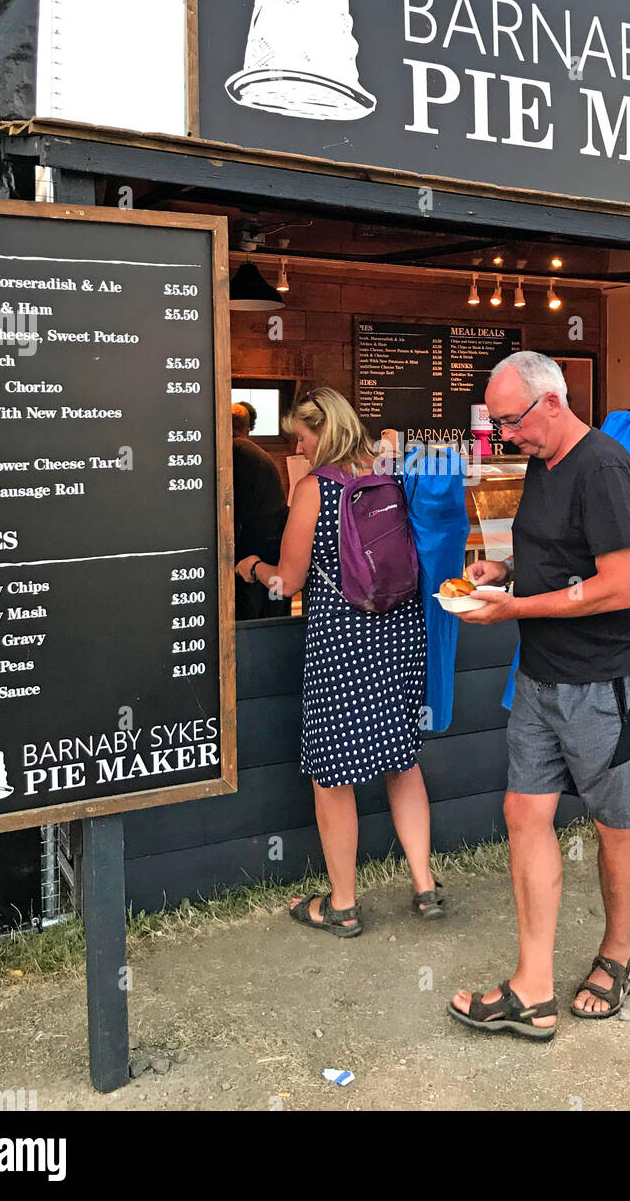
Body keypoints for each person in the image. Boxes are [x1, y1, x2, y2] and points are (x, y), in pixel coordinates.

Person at [446, 351, 630, 1040]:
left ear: (549, 402)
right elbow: (553, 554)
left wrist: (513, 610)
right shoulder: (542, 462)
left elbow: (618, 588)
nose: (505, 435)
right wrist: (501, 570)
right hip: (540, 677)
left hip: (606, 682)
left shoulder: (602, 467)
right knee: (522, 814)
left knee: (614, 824)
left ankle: (615, 956)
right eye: (497, 423)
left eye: (510, 420)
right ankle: (531, 988)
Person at [236, 388, 441, 935]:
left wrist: (252, 567)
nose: (297, 446)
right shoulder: (393, 473)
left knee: (332, 775)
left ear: (321, 430)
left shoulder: (315, 489)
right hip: (400, 632)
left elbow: (290, 580)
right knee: (402, 760)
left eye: (300, 436)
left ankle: (343, 905)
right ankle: (424, 886)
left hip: (343, 641)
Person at [230, 403, 290, 620]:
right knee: (273, 612)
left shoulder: (234, 452)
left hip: (254, 545)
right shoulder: (253, 452)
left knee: (251, 614)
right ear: (248, 428)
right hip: (274, 543)